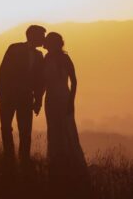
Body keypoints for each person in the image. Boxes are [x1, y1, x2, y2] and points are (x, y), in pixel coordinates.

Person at [42, 31, 89, 193]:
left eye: (48, 41)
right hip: (50, 99)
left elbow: (74, 81)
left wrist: (71, 101)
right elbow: (42, 82)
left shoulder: (65, 58)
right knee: (54, 130)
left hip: (63, 97)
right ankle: (56, 160)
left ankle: (72, 162)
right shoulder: (46, 58)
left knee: (67, 129)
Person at [0, 24, 46, 166]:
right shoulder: (14, 48)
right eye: (41, 36)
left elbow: (40, 81)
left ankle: (24, 158)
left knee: (25, 131)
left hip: (26, 98)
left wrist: (38, 101)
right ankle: (9, 157)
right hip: (8, 96)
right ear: (33, 36)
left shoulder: (39, 55)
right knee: (6, 127)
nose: (43, 39)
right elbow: (3, 71)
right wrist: (1, 93)